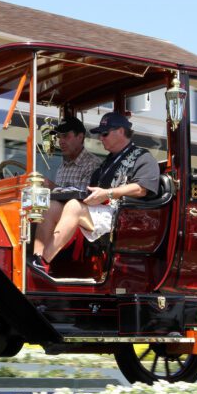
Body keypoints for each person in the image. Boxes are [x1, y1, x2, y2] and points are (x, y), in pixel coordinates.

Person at [30, 112, 160, 279]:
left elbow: (142, 188)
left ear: (120, 131)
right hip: (103, 211)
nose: (101, 138)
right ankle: (36, 258)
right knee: (50, 207)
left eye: (105, 134)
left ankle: (43, 263)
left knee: (73, 207)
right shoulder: (109, 161)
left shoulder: (143, 157)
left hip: (126, 216)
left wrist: (108, 193)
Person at [33, 117, 101, 260]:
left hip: (83, 219)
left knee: (51, 207)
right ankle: (36, 257)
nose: (61, 141)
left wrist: (52, 187)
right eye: (59, 137)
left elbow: (84, 197)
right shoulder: (63, 165)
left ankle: (43, 259)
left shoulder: (93, 164)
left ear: (80, 137)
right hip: (63, 215)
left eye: (66, 136)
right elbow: (60, 196)